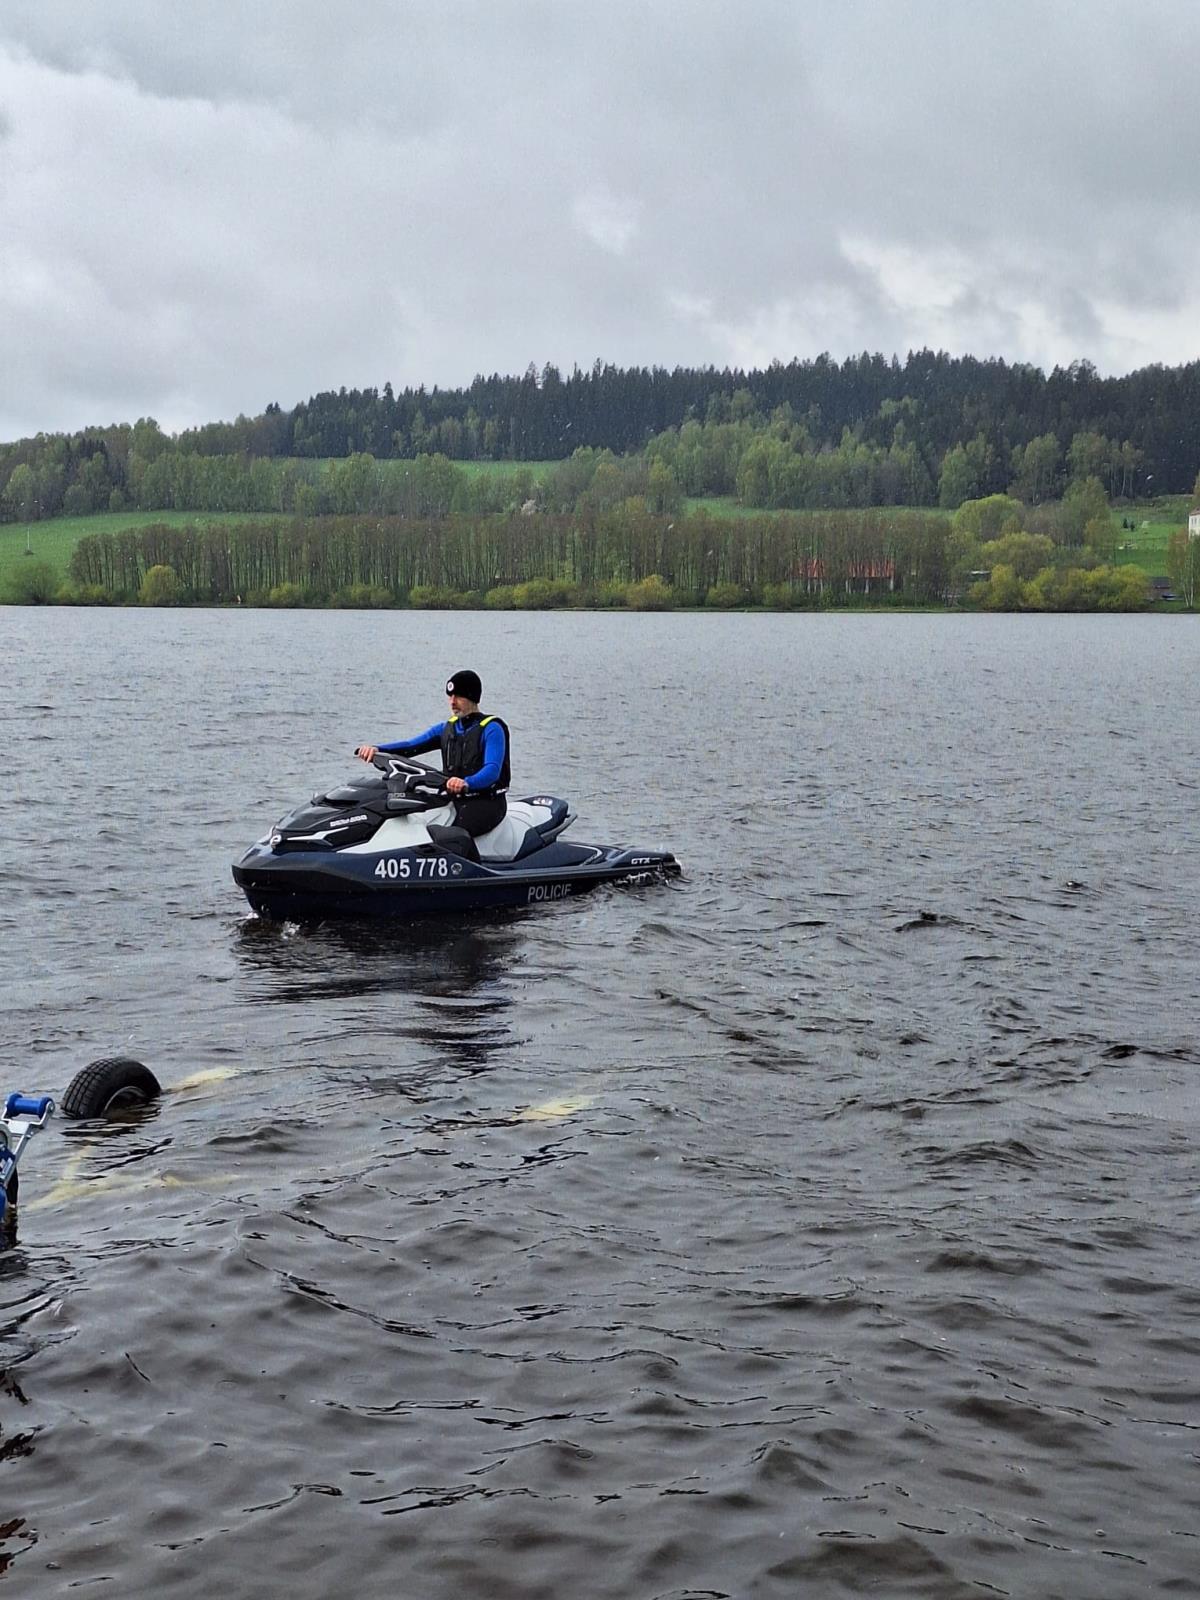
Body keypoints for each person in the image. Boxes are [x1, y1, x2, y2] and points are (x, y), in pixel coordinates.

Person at [355, 670, 510, 849]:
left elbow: (492, 770)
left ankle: (470, 873)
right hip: (454, 798)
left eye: (458, 696)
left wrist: (466, 783)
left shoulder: (492, 728)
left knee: (447, 837)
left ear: (472, 697)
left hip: (487, 803)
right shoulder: (447, 728)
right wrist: (377, 749)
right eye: (450, 696)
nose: (452, 702)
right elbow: (410, 745)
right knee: (412, 823)